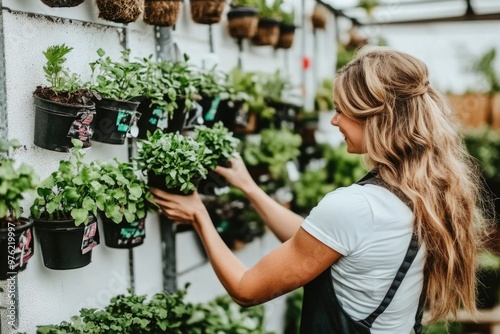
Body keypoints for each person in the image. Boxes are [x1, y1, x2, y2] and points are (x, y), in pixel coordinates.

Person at [151, 46, 492, 333]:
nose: (333, 121)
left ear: (374, 119)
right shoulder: (418, 193)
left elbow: (246, 289)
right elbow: (318, 241)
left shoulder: (357, 206)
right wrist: (250, 188)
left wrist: (198, 214)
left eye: (341, 110)